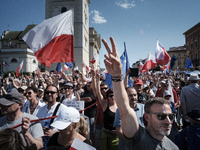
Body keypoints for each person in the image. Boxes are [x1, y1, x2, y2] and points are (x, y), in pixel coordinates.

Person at [102, 37, 178, 149]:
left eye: (171, 116)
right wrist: (117, 76)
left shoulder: (174, 148)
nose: (168, 121)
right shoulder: (138, 138)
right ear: (147, 118)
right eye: (161, 116)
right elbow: (125, 110)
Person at [36, 84, 68, 149]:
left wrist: (54, 133)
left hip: (57, 144)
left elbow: (69, 128)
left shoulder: (63, 109)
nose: (49, 94)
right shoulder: (41, 110)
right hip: (42, 143)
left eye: (52, 92)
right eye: (47, 92)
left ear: (57, 95)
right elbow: (36, 124)